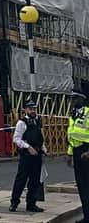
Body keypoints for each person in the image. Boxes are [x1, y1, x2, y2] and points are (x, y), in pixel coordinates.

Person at [10, 99, 46, 213]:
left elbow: (40, 137)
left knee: (35, 180)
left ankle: (31, 204)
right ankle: (14, 203)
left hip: (37, 155)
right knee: (21, 180)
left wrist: (44, 149)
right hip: (26, 156)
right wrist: (28, 147)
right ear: (25, 110)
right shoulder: (22, 123)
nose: (33, 111)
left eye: (34, 108)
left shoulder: (38, 121)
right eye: (30, 109)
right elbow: (16, 139)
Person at [66, 89, 89, 223]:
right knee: (82, 186)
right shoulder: (73, 115)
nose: (72, 102)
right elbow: (72, 137)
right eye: (72, 99)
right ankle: (87, 216)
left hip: (87, 152)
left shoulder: (88, 113)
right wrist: (69, 154)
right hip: (77, 152)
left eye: (75, 99)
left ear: (82, 100)